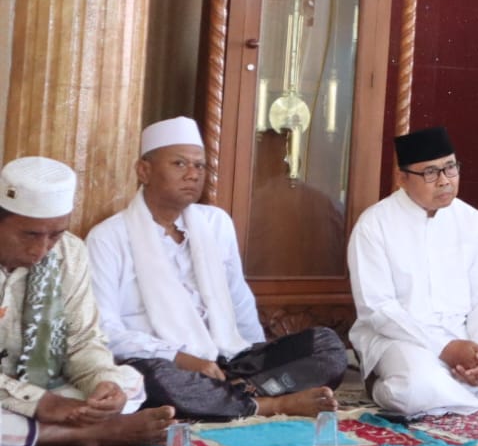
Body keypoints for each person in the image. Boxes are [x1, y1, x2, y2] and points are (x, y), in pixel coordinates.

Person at [87, 118, 347, 420]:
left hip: (229, 360)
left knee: (327, 346)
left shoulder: (215, 222)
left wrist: (258, 356)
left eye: (200, 166)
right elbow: (105, 331)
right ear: (144, 171)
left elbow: (238, 298)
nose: (193, 174)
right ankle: (270, 404)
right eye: (179, 164)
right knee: (149, 379)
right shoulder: (108, 238)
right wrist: (182, 359)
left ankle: (234, 394)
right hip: (168, 364)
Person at [349, 126, 478, 416]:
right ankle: (397, 387)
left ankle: (451, 392)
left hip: (464, 337)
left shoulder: (471, 220)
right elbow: (379, 309)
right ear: (402, 179)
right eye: (430, 173)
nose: (444, 181)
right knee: (415, 389)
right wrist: (446, 348)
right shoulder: (374, 224)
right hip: (402, 340)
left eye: (450, 168)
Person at [2, 156, 172, 446]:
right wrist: (39, 402)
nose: (42, 250)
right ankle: (95, 433)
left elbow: (81, 340)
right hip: (16, 396)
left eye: (55, 234)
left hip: (44, 385)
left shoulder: (69, 252)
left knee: (129, 382)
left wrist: (102, 383)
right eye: (30, 234)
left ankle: (59, 429)